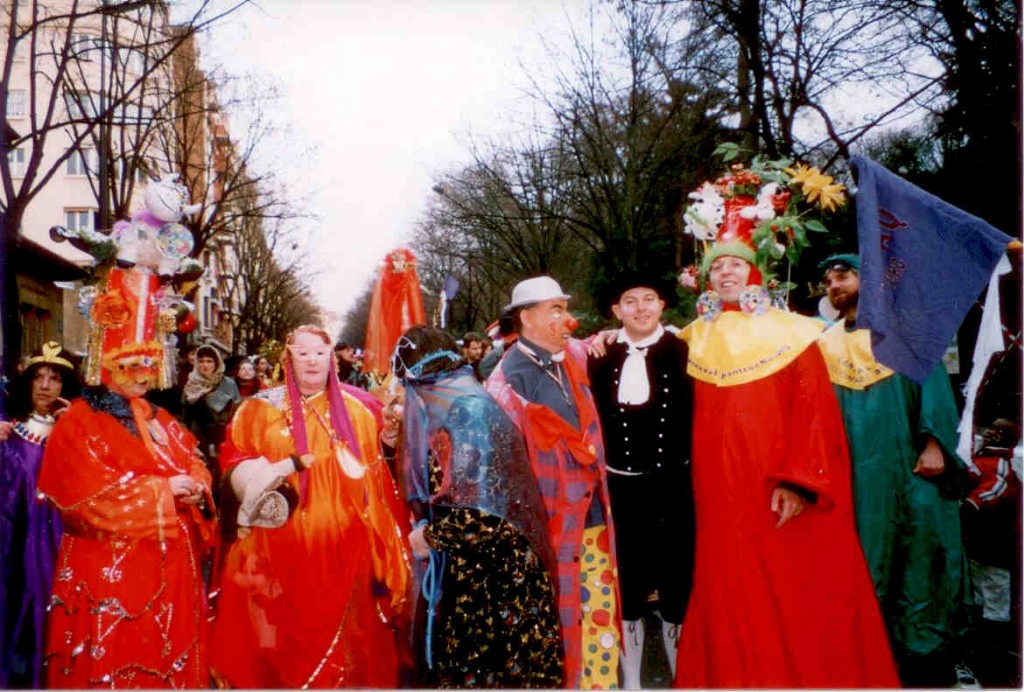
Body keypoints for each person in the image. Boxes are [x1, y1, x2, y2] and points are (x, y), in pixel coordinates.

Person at [673, 242, 899, 686]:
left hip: (774, 487)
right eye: (716, 267)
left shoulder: (794, 331)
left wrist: (799, 482)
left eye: (735, 264)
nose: (726, 273)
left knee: (792, 588)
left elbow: (815, 410)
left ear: (754, 272)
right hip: (719, 492)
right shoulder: (692, 336)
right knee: (731, 582)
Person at [208, 325, 411, 689]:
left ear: (331, 358)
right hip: (277, 549)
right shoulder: (257, 409)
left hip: (346, 551)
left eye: (319, 352)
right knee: (280, 637)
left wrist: (391, 442)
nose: (312, 361)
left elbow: (381, 480)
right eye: (302, 353)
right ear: (289, 359)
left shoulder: (362, 410)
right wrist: (253, 476)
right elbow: (234, 459)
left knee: (348, 643)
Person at [819, 253, 973, 687]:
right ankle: (874, 658)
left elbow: (933, 383)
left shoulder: (903, 330)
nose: (834, 284)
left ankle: (934, 661)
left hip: (907, 464)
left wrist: (932, 442)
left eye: (844, 275)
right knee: (868, 559)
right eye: (828, 280)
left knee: (922, 554)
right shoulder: (826, 344)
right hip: (857, 473)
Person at [38, 337, 215, 687]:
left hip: (172, 570)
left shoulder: (157, 416)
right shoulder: (78, 421)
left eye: (149, 364)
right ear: (105, 365)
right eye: (130, 364)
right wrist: (164, 490)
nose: (143, 374)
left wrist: (197, 485)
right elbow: (85, 499)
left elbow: (194, 461)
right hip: (111, 571)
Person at [392, 326, 562, 688]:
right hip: (483, 568)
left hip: (496, 578)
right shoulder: (465, 405)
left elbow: (481, 516)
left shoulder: (467, 414)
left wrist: (430, 536)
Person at [485, 276, 621, 689]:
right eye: (556, 310)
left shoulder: (572, 356)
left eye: (565, 308)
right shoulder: (505, 381)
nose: (568, 320)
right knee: (561, 622)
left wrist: (615, 333)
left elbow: (608, 341)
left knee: (600, 613)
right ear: (527, 318)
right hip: (550, 525)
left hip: (594, 516)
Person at [588, 272, 694, 689]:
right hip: (621, 488)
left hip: (672, 486)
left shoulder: (685, 348)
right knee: (628, 579)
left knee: (675, 576)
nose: (641, 308)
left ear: (662, 305)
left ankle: (678, 666)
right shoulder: (598, 354)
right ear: (616, 311)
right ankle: (631, 673)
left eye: (649, 298)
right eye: (630, 301)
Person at [0, 343, 79, 688]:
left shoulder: (75, 433)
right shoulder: (8, 432)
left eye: (55, 379)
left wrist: (78, 429)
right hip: (13, 546)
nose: (46, 386)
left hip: (61, 544)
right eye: (39, 378)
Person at [181, 345, 240, 483]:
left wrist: (213, 397)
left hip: (223, 436)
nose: (205, 365)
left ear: (217, 363)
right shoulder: (191, 384)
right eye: (201, 361)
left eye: (209, 361)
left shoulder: (228, 383)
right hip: (199, 438)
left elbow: (237, 410)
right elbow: (184, 414)